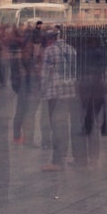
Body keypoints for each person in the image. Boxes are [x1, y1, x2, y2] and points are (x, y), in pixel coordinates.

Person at [39, 28, 78, 171]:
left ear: (50, 39)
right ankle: (64, 154)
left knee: (55, 126)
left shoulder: (49, 51)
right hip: (69, 92)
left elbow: (45, 75)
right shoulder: (72, 50)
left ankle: (57, 161)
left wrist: (43, 92)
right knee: (65, 125)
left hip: (54, 93)